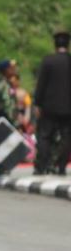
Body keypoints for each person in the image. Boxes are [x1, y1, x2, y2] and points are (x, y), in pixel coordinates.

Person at [33, 30, 71, 175]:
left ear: (55, 44)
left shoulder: (48, 60)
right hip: (68, 108)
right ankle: (60, 166)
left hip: (49, 107)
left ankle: (42, 166)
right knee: (67, 137)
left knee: (44, 136)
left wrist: (37, 103)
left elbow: (41, 84)